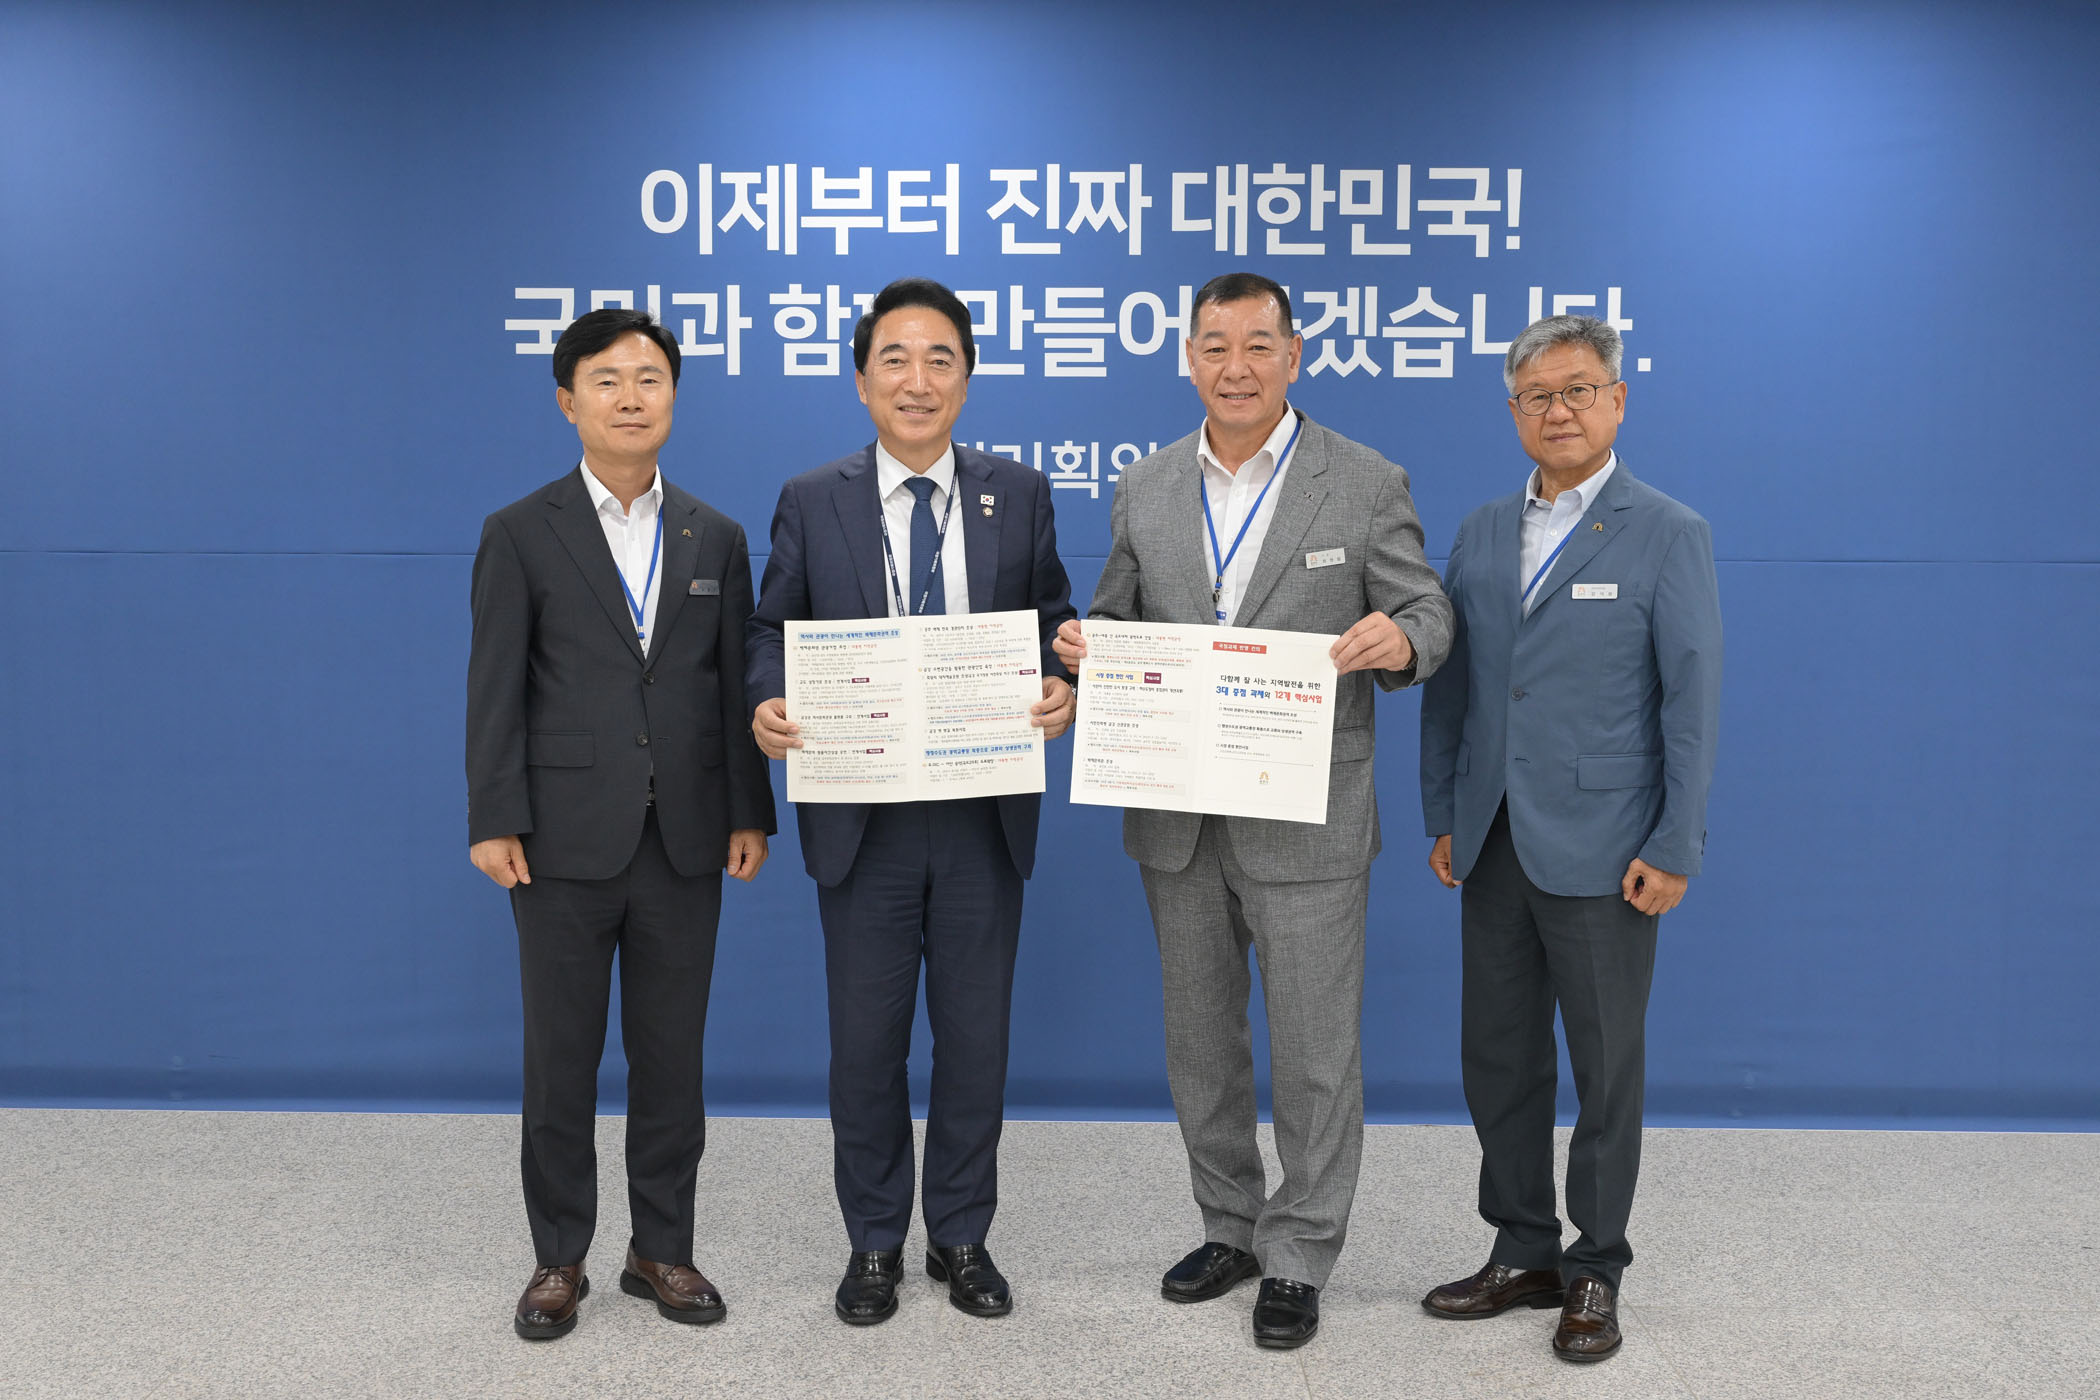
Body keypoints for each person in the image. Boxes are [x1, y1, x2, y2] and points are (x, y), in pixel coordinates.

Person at [1052, 271, 1452, 1349]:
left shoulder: (1362, 480)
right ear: (1188, 357)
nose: (1237, 367)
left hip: (1307, 812)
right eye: (1216, 346)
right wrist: (1085, 647)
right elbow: (1115, 615)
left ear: (1295, 354)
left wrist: (1404, 638)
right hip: (1178, 817)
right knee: (1201, 1043)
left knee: (1317, 1052)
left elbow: (1427, 606)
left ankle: (1301, 1251)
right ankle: (1229, 1225)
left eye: (1258, 345)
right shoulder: (1144, 485)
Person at [745, 277, 1078, 1326]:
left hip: (983, 812)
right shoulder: (813, 497)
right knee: (866, 1043)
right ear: (861, 380)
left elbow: (1053, 619)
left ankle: (962, 1234)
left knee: (976, 1041)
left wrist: (1062, 680)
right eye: (895, 358)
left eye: (941, 359)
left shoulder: (1019, 492)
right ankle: (875, 1240)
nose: (918, 379)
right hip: (863, 814)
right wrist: (767, 698)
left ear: (967, 380)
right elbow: (771, 626)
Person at [1416, 314, 1722, 1363]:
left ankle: (1596, 1267)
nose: (1559, 410)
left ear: (1617, 399)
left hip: (1610, 846)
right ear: (1513, 412)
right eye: (1537, 395)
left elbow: (1691, 700)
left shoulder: (1666, 529)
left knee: (1604, 1068)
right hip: (1492, 838)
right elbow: (1453, 686)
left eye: (1578, 390)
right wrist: (1443, 812)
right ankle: (1522, 1248)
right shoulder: (1482, 529)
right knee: (1498, 1058)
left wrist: (1675, 841)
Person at [465, 308, 775, 1341]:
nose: (631, 397)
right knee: (561, 1060)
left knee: (671, 1059)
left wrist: (748, 809)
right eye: (607, 380)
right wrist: (494, 815)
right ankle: (559, 1257)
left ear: (674, 397)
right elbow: (494, 686)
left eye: (650, 379)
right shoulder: (521, 530)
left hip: (686, 837)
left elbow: (731, 685)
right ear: (569, 401)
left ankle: (661, 1248)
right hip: (559, 839)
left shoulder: (714, 534)